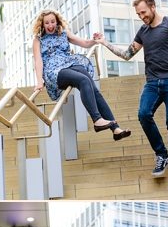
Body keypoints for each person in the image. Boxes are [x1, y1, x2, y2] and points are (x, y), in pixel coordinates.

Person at [95, 0, 168, 191]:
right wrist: (104, 43)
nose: (142, 16)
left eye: (143, 12)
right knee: (143, 114)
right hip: (152, 83)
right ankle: (161, 154)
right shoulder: (143, 32)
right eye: (138, 14)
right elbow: (126, 55)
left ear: (152, 6)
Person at [32, 8, 130, 141]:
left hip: (69, 62)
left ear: (57, 21)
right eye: (47, 23)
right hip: (54, 70)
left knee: (93, 88)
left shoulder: (64, 33)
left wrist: (95, 40)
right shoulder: (39, 40)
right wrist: (39, 81)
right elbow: (38, 61)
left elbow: (84, 43)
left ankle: (116, 129)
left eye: (53, 22)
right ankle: (97, 120)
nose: (50, 25)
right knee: (83, 80)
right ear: (42, 24)